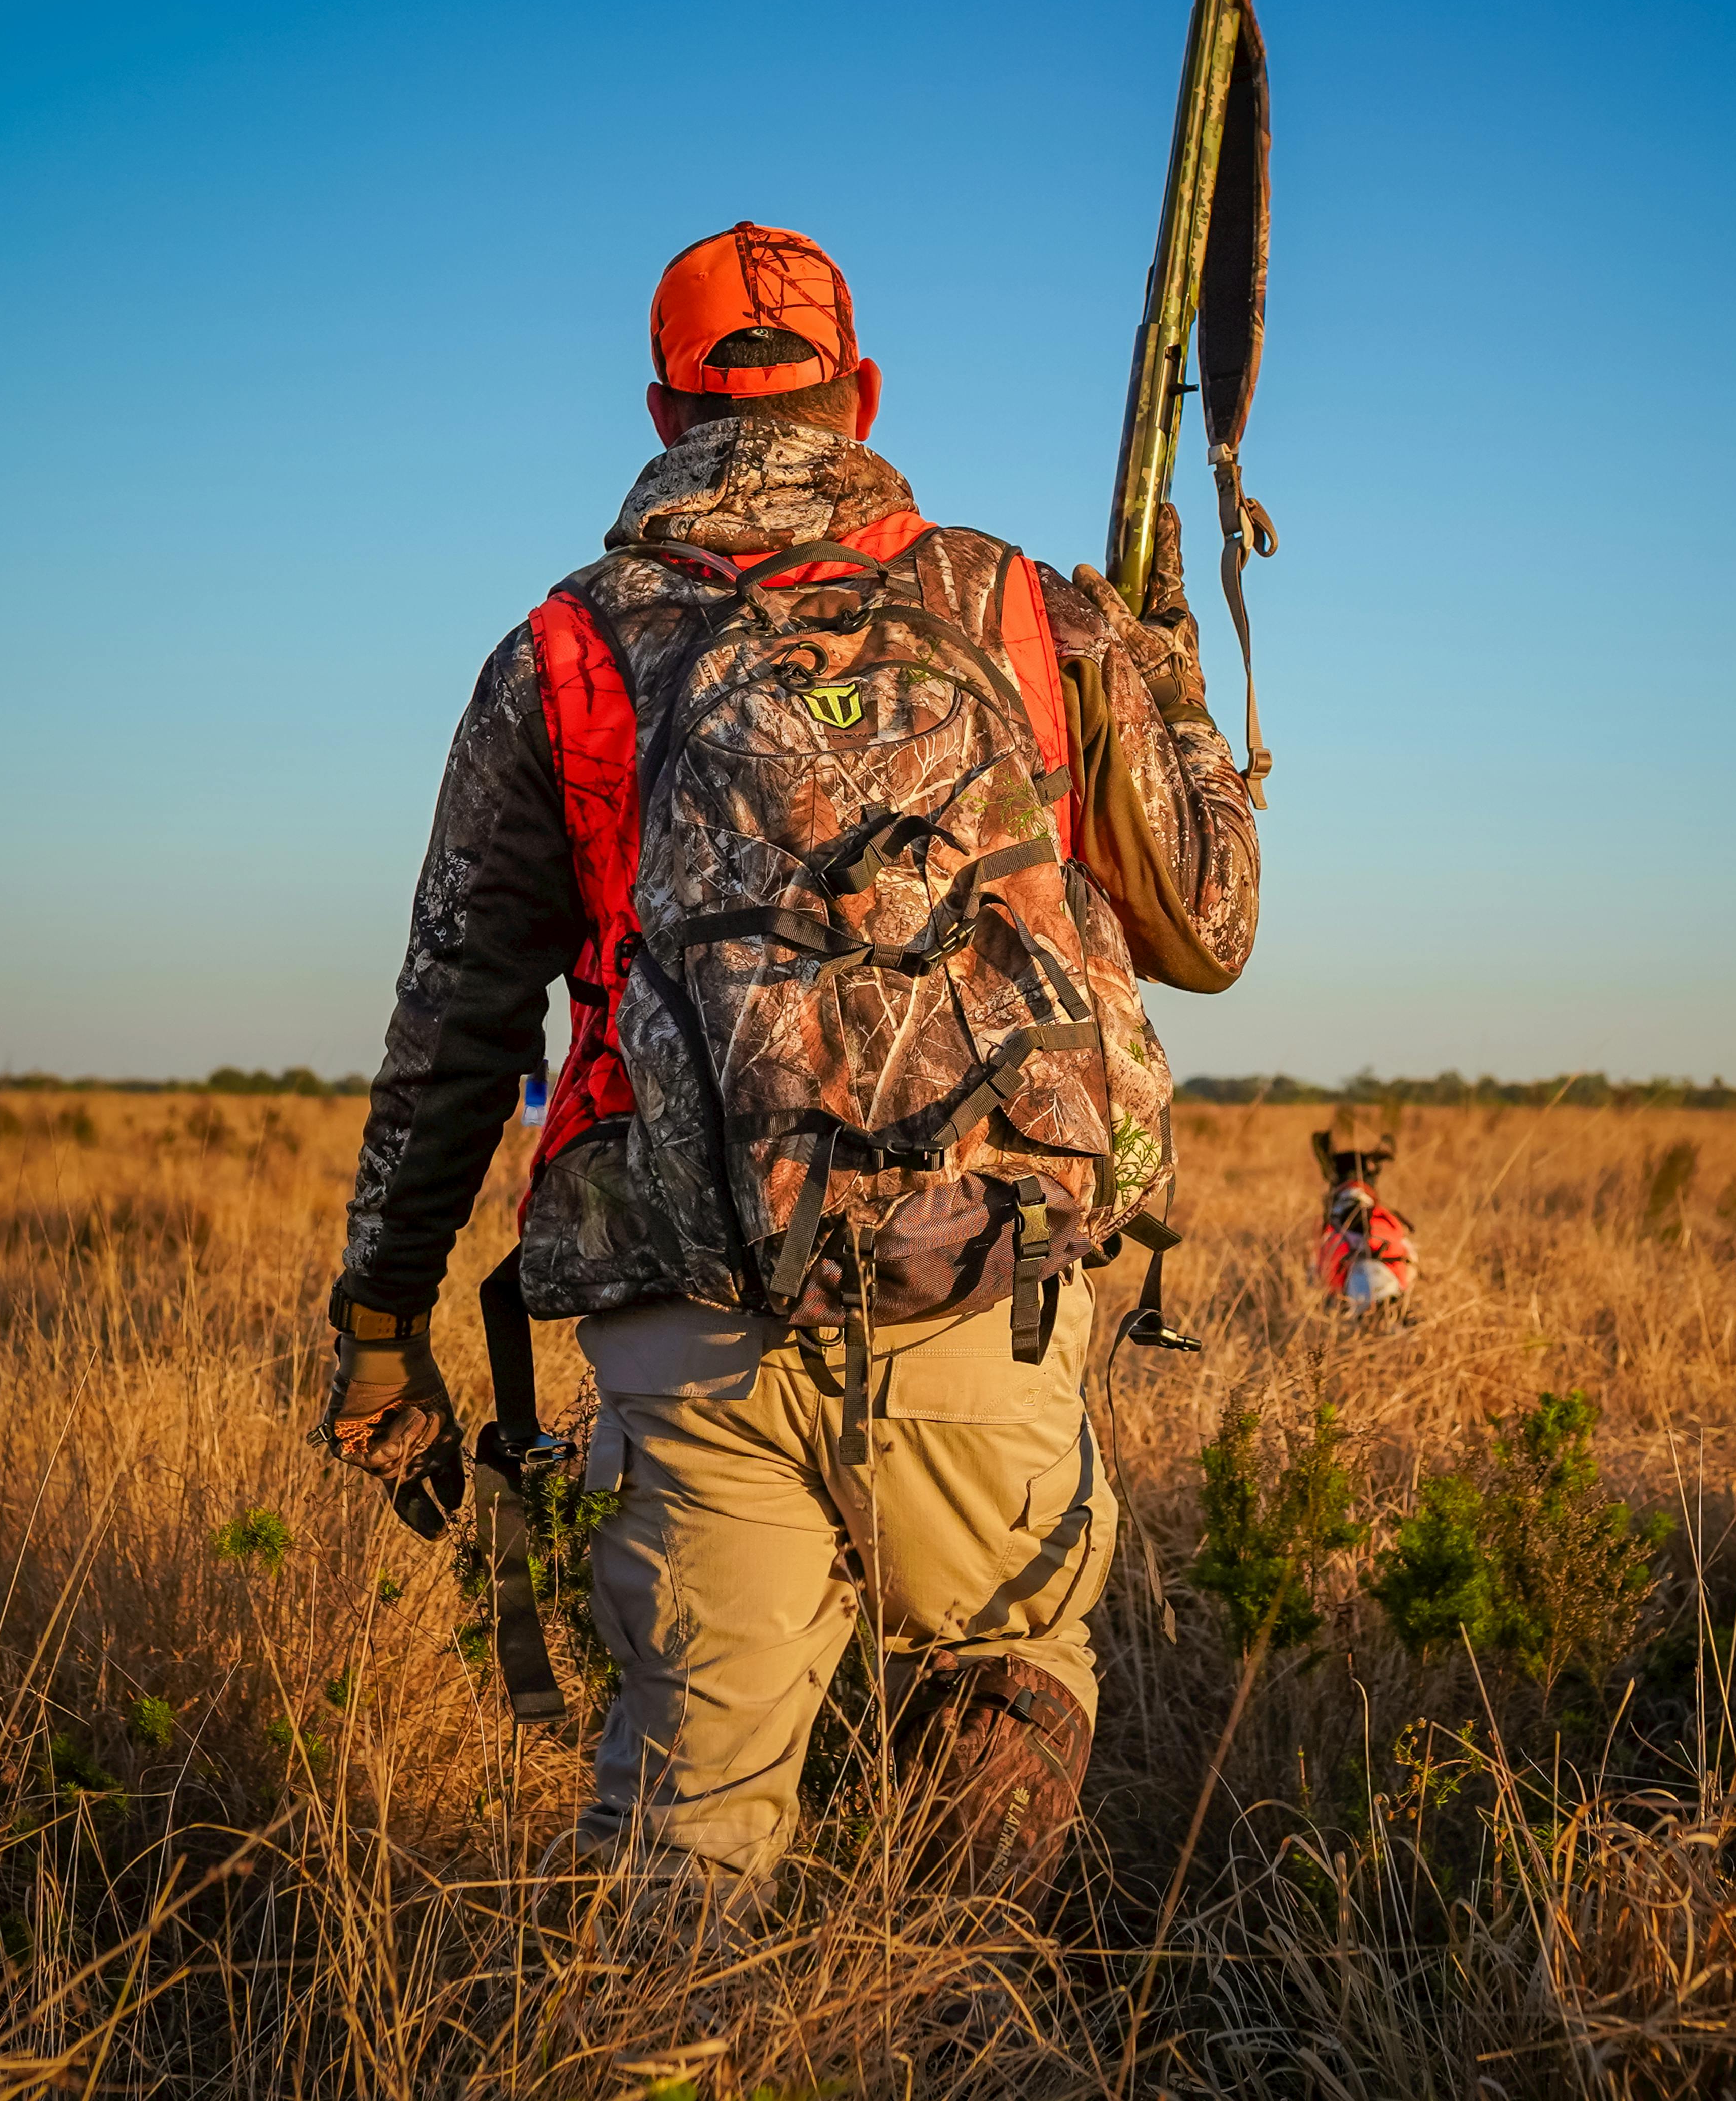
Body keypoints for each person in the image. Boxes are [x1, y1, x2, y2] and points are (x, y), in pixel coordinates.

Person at [311, 221, 1260, 1891]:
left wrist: (385, 1327)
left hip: (690, 1323)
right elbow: (1210, 928)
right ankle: (952, 2063)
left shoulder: (565, 652)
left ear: (668, 410)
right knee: (1009, 1688)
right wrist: (1163, 673)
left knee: (689, 1829)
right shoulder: (1028, 607)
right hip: (992, 1296)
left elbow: (453, 1027)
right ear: (860, 394)